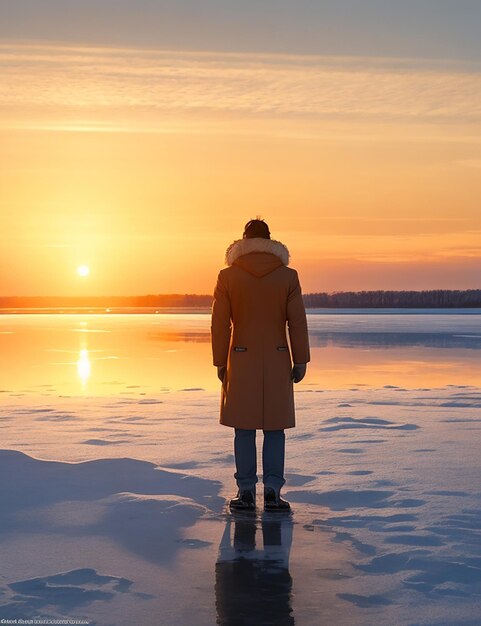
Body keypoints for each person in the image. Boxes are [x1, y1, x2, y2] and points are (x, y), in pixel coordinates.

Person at [211, 217, 310, 511]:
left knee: (243, 429)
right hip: (279, 358)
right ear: (269, 242)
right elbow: (298, 323)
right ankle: (272, 492)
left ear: (242, 241)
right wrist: (301, 359)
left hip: (240, 359)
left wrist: (220, 360)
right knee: (274, 428)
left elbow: (219, 325)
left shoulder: (227, 276)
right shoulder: (288, 276)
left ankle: (245, 493)